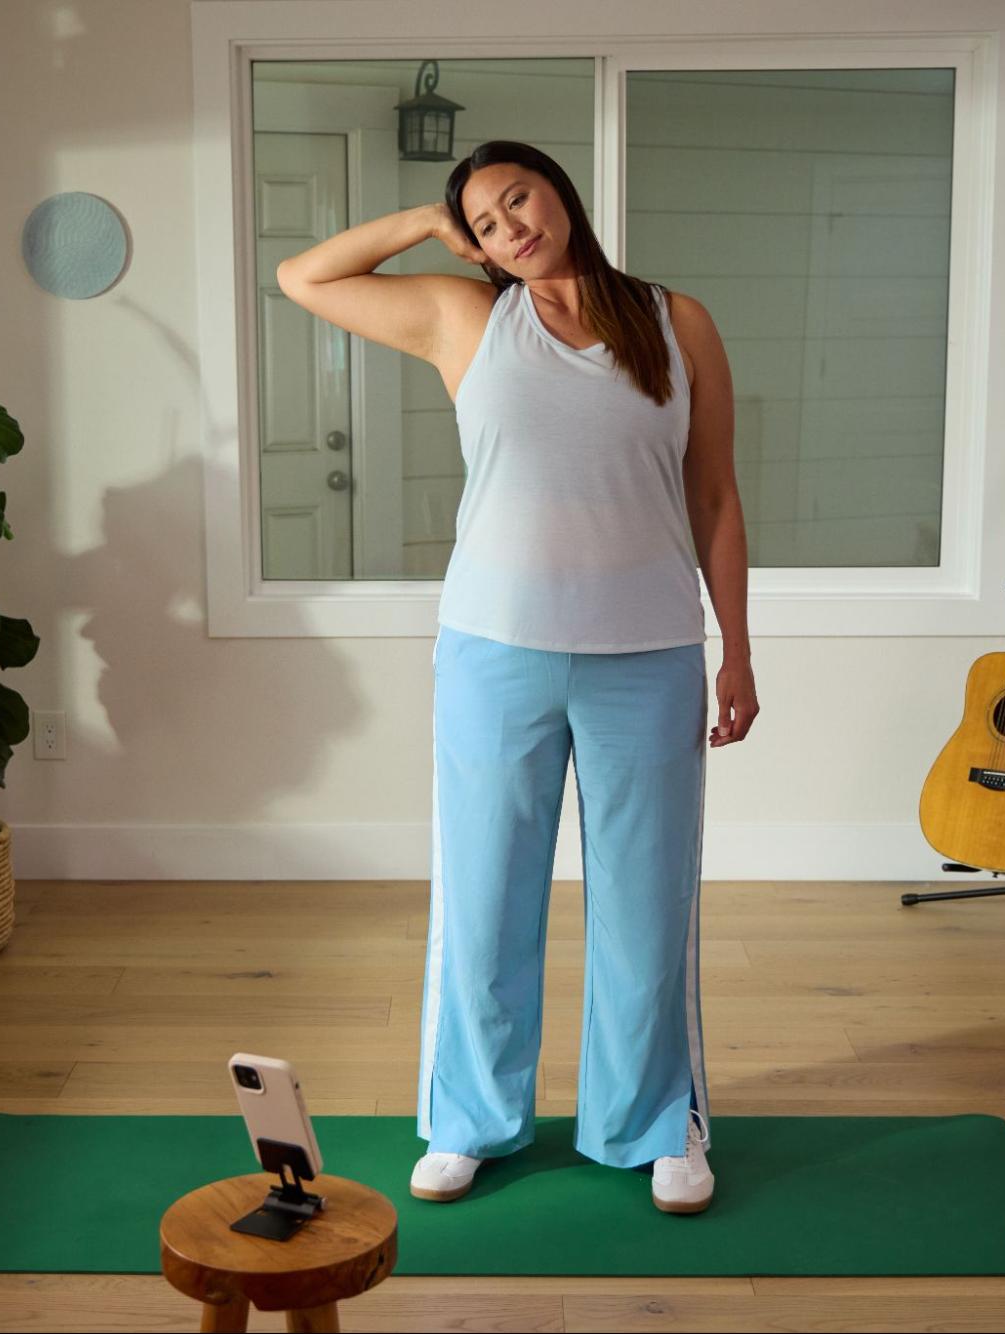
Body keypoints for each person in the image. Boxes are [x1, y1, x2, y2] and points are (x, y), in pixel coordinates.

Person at [274, 140, 757, 1215]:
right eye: (486, 221)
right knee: (484, 895)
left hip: (649, 654)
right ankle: (468, 1120)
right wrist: (424, 222)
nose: (510, 227)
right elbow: (301, 278)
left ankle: (653, 1123)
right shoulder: (463, 315)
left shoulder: (677, 324)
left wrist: (738, 649)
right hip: (494, 649)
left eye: (518, 198)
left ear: (559, 190)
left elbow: (715, 497)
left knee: (646, 903)